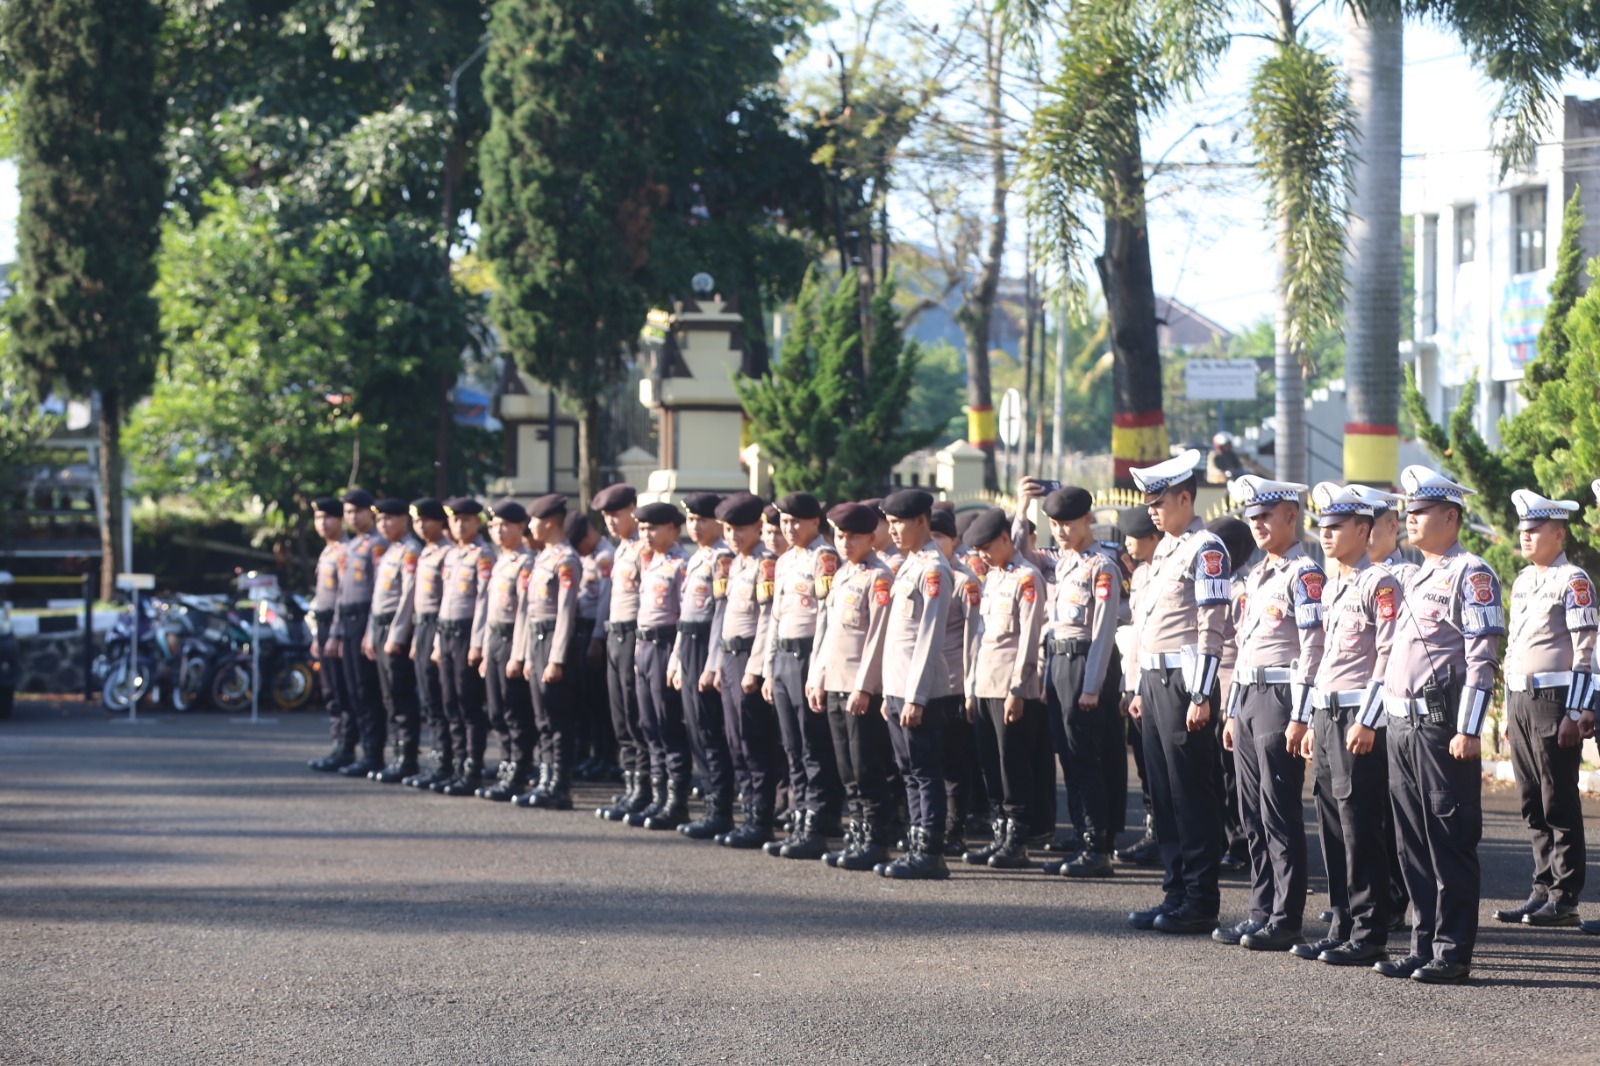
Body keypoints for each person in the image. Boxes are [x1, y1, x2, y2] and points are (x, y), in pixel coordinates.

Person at [1375, 465, 1503, 984]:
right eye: (1407, 510)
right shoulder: (1413, 573)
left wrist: (1469, 729)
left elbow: (1482, 658)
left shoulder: (1471, 573)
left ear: (1450, 516)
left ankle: (1452, 951)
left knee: (1448, 837)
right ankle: (1422, 943)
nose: (1409, 518)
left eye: (1419, 511)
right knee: (1410, 842)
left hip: (1441, 727)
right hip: (1402, 726)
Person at [1291, 482, 1402, 967]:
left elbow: (1387, 656)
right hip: (1328, 713)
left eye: (1337, 527)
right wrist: (1311, 715)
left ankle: (1369, 929)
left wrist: (1370, 719)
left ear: (1364, 529)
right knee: (1332, 824)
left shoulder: (1381, 583)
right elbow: (1323, 657)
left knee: (1360, 826)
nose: (1327, 534)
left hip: (1360, 717)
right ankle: (1341, 923)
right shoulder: (1333, 584)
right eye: (1322, 526)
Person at [1214, 476, 1323, 952]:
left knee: (1279, 813)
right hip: (1250, 700)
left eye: (1266, 516)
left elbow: (1315, 647)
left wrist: (1302, 714)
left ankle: (1286, 916)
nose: (1257, 525)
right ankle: (1260, 911)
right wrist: (1232, 709)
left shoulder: (1305, 575)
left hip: (1282, 698)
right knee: (1251, 812)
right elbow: (1240, 647)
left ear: (1291, 517)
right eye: (1251, 518)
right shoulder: (1258, 575)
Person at [1126, 449, 1230, 934]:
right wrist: (1142, 686)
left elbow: (1212, 627)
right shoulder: (1166, 549)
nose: (1152, 509)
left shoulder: (1205, 548)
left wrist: (1202, 693)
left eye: (1160, 500)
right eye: (1149, 502)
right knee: (1163, 793)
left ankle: (1200, 897)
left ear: (1186, 498)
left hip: (1185, 682)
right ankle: (1175, 891)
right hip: (1155, 680)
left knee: (1190, 792)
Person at [1491, 489, 1594, 928]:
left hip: (1555, 700)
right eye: (1523, 531)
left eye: (1535, 530)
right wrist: (1509, 709)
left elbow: (1585, 649)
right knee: (1532, 802)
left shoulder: (1574, 580)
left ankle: (1565, 895)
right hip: (1522, 699)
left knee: (1559, 799)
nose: (1527, 537)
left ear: (1559, 532)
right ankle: (1540, 889)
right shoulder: (1523, 579)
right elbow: (1515, 646)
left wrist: (1577, 710)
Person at [854, 489, 955, 880]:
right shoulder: (910, 565)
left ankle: (930, 850)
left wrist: (914, 696)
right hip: (900, 687)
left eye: (899, 522)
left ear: (921, 522)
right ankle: (916, 845)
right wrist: (890, 690)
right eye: (889, 523)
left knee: (923, 770)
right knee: (908, 769)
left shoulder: (933, 568)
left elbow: (928, 638)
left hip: (922, 690)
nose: (892, 530)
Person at [808, 502, 897, 870]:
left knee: (867, 767)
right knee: (846, 768)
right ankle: (857, 834)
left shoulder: (879, 577)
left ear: (871, 537)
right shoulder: (843, 574)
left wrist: (864, 686)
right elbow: (827, 632)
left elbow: (877, 637)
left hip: (860, 687)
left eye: (853, 536)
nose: (844, 542)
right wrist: (817, 676)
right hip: (836, 683)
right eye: (840, 535)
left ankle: (876, 840)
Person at [961, 507, 1047, 870]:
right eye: (976, 549)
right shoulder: (993, 577)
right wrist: (970, 688)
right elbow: (980, 638)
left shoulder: (1026, 578)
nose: (981, 554)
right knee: (990, 765)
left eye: (985, 546)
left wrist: (1016, 687)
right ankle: (999, 833)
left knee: (1013, 765)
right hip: (985, 685)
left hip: (1012, 688)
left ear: (1003, 539)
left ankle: (1017, 840)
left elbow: (1028, 638)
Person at [761, 492, 845, 860]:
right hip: (783, 657)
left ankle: (817, 822)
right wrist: (767, 669)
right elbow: (774, 620)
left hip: (808, 655)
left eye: (796, 521)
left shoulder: (824, 558)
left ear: (815, 522)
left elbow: (827, 618)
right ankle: (799, 817)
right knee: (791, 746)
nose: (789, 528)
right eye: (784, 521)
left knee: (813, 747)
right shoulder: (783, 561)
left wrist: (819, 670)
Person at [708, 492, 781, 849]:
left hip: (751, 656)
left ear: (757, 527)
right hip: (730, 657)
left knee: (754, 743)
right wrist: (718, 664)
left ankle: (760, 819)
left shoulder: (764, 565)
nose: (734, 536)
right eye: (728, 529)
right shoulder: (735, 563)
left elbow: (767, 620)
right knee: (735, 740)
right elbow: (724, 618)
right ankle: (746, 814)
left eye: (741, 529)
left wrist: (755, 669)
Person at [670, 493, 738, 840]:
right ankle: (710, 802)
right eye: (691, 519)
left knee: (710, 732)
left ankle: (720, 809)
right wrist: (677, 657)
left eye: (702, 520)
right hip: (690, 644)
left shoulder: (722, 559)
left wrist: (712, 664)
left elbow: (720, 616)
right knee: (695, 729)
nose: (694, 526)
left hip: (709, 647)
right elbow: (686, 616)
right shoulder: (698, 558)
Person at [626, 500, 695, 829]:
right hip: (645, 645)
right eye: (641, 528)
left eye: (652, 528)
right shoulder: (650, 562)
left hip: (667, 644)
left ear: (673, 529)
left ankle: (676, 800)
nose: (646, 534)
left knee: (668, 726)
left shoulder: (681, 564)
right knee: (648, 724)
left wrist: (677, 657)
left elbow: (684, 618)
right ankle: (657, 795)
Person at [514, 494, 582, 810]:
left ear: (549, 522)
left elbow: (566, 612)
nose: (530, 528)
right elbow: (528, 612)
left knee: (558, 717)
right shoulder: (542, 558)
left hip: (555, 639)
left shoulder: (565, 559)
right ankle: (545, 780)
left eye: (534, 521)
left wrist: (556, 658)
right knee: (542, 717)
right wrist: (529, 655)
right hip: (537, 639)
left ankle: (560, 785)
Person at [592, 484, 654, 821]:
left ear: (632, 508)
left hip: (634, 633)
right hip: (615, 634)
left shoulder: (644, 551)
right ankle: (631, 783)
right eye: (606, 516)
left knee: (635, 712)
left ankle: (643, 787)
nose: (611, 522)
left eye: (616, 514)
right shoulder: (621, 549)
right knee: (620, 714)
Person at [929, 507, 983, 857]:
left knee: (952, 764)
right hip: (925, 684)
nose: (934, 544)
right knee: (926, 763)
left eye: (940, 538)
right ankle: (929, 828)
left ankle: (954, 829)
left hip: (953, 682)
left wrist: (969, 687)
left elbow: (973, 637)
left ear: (954, 541)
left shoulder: (966, 581)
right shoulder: (920, 572)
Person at [431, 497, 493, 797]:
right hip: (446, 632)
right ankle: (456, 764)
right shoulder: (453, 556)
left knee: (469, 704)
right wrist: (435, 642)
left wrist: (477, 642)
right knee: (449, 702)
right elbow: (444, 601)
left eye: (466, 519)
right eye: (455, 520)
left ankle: (472, 767)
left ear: (477, 522)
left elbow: (484, 602)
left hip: (468, 633)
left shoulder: (483, 556)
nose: (460, 525)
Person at [476, 500, 537, 801]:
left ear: (520, 527)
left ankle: (519, 770)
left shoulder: (526, 563)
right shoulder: (502, 560)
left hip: (514, 639)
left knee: (515, 710)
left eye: (504, 525)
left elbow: (525, 612)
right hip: (496, 640)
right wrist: (487, 651)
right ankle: (505, 766)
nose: (497, 531)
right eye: (493, 526)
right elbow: (490, 612)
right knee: (497, 709)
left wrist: (518, 653)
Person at [1113, 506, 1162, 865]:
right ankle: (1154, 830)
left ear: (1152, 538)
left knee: (1163, 769)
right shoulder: (1142, 574)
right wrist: (1129, 686)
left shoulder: (1161, 573)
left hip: (1157, 683)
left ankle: (1164, 835)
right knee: (1145, 765)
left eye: (1133, 537)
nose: (1127, 544)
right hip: (1138, 681)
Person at [1207, 515, 1255, 876]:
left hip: (1230, 690)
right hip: (1212, 687)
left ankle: (1240, 843)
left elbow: (1240, 648)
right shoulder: (1219, 583)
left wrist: (1232, 705)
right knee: (1216, 772)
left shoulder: (1242, 588)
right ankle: (1224, 837)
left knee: (1233, 774)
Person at [329, 489, 388, 777]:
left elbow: (379, 591)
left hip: (366, 616)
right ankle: (356, 750)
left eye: (358, 512)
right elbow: (340, 592)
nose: (353, 517)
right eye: (349, 512)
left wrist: (371, 630)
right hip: (349, 619)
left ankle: (373, 753)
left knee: (367, 689)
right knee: (352, 690)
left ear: (370, 513)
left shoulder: (378, 545)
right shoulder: (350, 546)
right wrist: (336, 632)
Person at [364, 498, 423, 784]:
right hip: (380, 626)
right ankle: (397, 754)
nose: (383, 524)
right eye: (379, 520)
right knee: (388, 696)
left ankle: (407, 758)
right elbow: (378, 599)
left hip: (396, 629)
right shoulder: (390, 551)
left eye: (389, 518)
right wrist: (370, 633)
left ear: (403, 520)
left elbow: (408, 596)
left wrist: (396, 635)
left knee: (400, 695)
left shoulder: (411, 551)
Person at [403, 498, 455, 790]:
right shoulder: (427, 551)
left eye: (426, 520)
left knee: (440, 696)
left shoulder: (447, 553)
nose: (420, 526)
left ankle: (446, 760)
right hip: (422, 626)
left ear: (439, 522)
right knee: (429, 699)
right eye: (416, 521)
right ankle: (436, 760)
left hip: (438, 625)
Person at [307, 497, 356, 772]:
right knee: (330, 689)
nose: (322, 523)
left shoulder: (347, 551)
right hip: (324, 624)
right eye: (318, 518)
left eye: (328, 517)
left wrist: (335, 633)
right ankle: (338, 742)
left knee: (342, 686)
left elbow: (342, 597)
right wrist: (318, 634)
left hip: (340, 625)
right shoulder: (327, 551)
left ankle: (347, 746)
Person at [568, 512, 617, 781]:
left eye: (579, 543)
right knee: (587, 700)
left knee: (600, 702)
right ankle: (594, 755)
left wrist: (597, 639)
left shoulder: (604, 557)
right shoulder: (589, 557)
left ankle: (606, 757)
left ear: (587, 534)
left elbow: (604, 603)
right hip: (582, 630)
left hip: (594, 632)